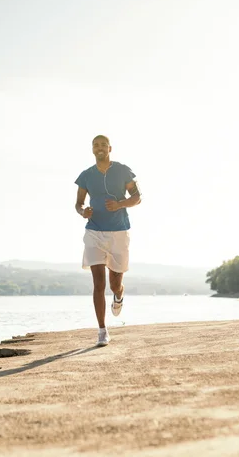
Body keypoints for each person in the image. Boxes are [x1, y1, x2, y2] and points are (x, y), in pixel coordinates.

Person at [75, 135, 141, 347]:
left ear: (110, 148)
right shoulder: (86, 175)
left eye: (103, 144)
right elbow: (78, 204)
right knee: (98, 283)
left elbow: (137, 196)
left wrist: (120, 204)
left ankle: (119, 296)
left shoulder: (122, 170)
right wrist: (83, 211)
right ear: (92, 149)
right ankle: (102, 330)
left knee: (115, 284)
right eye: (96, 145)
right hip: (94, 231)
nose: (100, 147)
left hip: (119, 232)